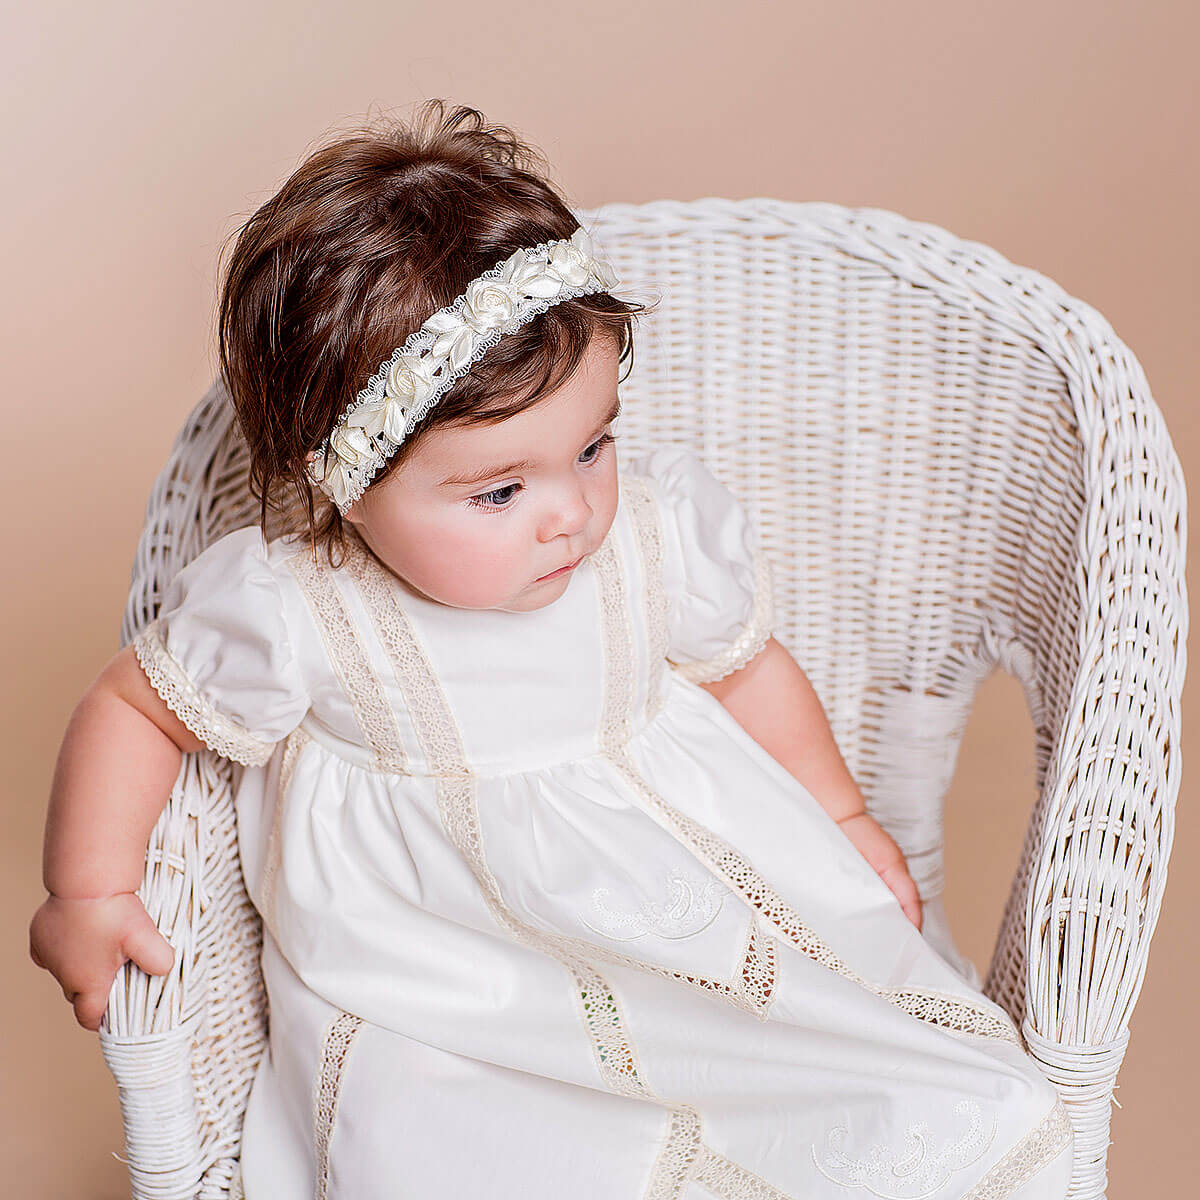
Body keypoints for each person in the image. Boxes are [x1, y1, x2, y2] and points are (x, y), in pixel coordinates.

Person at [29, 99, 1074, 1199]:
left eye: (593, 444)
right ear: (351, 489)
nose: (571, 510)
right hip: (442, 989)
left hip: (684, 927)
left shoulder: (652, 543)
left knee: (895, 1100)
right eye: (500, 490)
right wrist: (88, 892)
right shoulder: (301, 609)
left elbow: (748, 667)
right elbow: (135, 706)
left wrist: (844, 814)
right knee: (468, 1155)